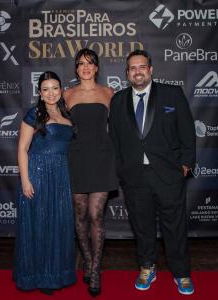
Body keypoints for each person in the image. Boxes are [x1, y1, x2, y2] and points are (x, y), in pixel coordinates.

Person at [109, 49, 196, 296]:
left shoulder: (172, 94)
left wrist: (185, 165)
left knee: (175, 228)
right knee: (142, 227)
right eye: (132, 68)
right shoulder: (118, 100)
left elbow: (188, 132)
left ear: (150, 69)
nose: (137, 71)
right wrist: (121, 169)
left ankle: (181, 273)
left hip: (169, 175)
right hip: (134, 177)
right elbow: (114, 139)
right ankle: (147, 267)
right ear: (127, 74)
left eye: (141, 66)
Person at [13, 71, 76, 295]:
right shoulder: (34, 114)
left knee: (58, 225)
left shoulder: (67, 114)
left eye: (55, 88)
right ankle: (36, 275)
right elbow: (22, 148)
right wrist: (25, 181)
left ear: (61, 90)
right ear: (40, 92)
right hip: (37, 174)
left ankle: (55, 274)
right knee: (38, 225)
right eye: (46, 89)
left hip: (61, 176)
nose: (51, 93)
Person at [63, 48, 118, 297]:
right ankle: (86, 259)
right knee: (80, 215)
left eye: (90, 63)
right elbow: (57, 128)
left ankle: (96, 269)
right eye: (81, 63)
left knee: (97, 216)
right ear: (76, 68)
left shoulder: (109, 93)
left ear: (96, 67)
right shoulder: (67, 94)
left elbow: (118, 129)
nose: (85, 67)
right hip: (76, 159)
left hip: (102, 159)